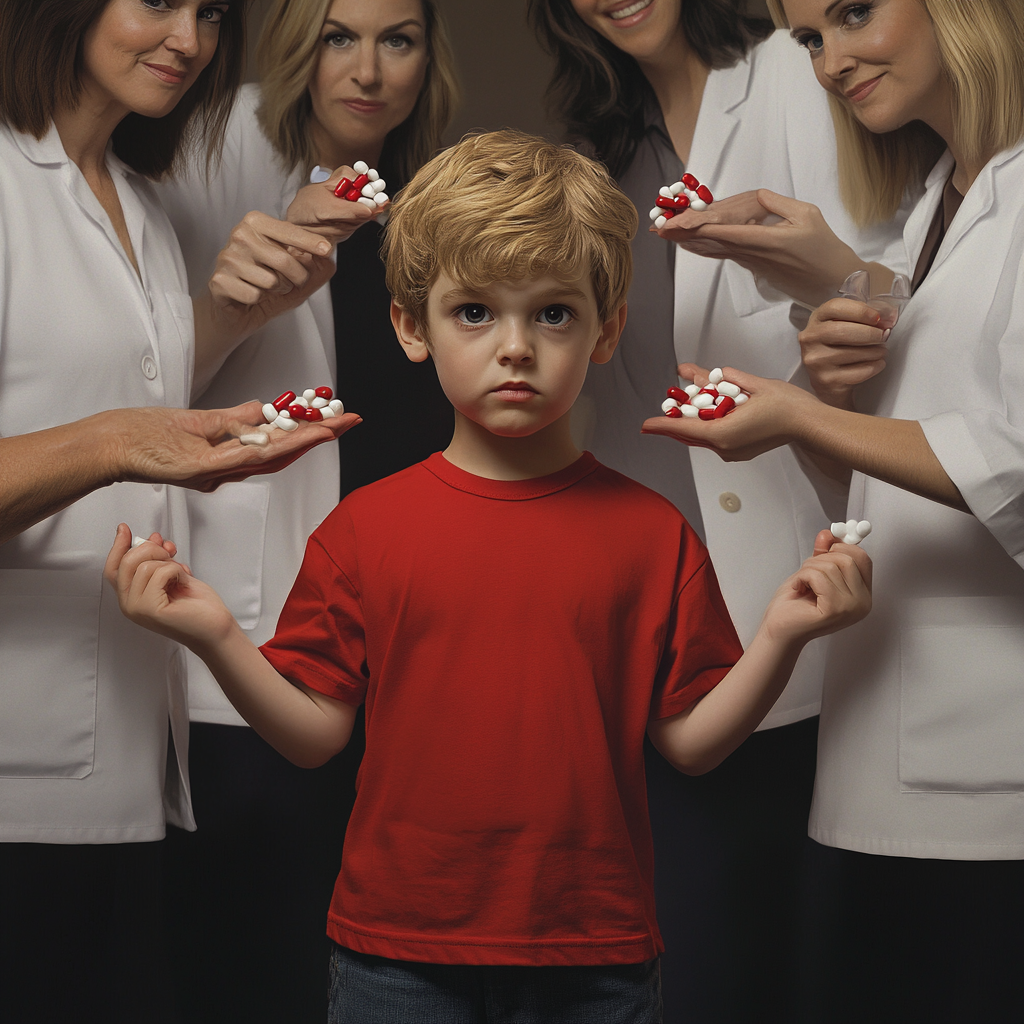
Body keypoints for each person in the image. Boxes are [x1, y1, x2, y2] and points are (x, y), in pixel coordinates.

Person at [106, 129, 873, 1024]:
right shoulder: (363, 530)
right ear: (410, 326)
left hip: (596, 954)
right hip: (397, 955)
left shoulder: (653, 535)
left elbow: (691, 742)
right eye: (475, 312)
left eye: (552, 313)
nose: (515, 347)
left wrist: (783, 635)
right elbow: (315, 735)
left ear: (606, 327)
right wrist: (213, 634)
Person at [527, 3, 909, 1019]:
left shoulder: (801, 73)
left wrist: (832, 290)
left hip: (805, 596)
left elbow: (901, 305)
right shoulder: (596, 147)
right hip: (648, 619)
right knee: (685, 960)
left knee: (812, 960)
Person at [643, 1, 1024, 1019]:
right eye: (809, 38)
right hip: (879, 751)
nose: (829, 62)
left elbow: (1016, 468)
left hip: (989, 769)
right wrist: (833, 380)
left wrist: (793, 411)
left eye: (853, 14)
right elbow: (877, 499)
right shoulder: (939, 199)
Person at [0, 2, 357, 1020]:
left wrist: (252, 307)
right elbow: (116, 422)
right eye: (158, 0)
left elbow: (126, 378)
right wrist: (114, 442)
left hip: (127, 770)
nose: (190, 40)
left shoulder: (138, 203)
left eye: (208, 12)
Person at [151, 1, 458, 1017]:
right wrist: (242, 297)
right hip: (265, 624)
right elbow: (138, 385)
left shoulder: (439, 199)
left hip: (415, 629)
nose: (370, 70)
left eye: (398, 39)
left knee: (394, 953)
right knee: (256, 949)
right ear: (294, 43)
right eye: (338, 35)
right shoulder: (201, 152)